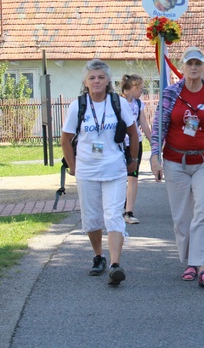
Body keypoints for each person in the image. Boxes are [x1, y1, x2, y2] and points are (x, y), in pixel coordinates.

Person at [150, 46, 204, 288]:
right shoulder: (170, 93)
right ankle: (189, 261)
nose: (194, 68)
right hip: (175, 161)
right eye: (190, 64)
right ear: (183, 67)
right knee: (182, 217)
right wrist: (155, 156)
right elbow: (159, 127)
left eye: (199, 64)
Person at [60, 59, 139, 285]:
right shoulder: (78, 106)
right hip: (87, 170)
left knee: (114, 215)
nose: (96, 81)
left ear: (108, 81)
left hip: (114, 169)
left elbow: (133, 134)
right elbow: (65, 140)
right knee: (92, 218)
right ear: (86, 82)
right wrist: (73, 166)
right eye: (92, 77)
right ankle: (98, 256)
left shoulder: (118, 103)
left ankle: (115, 264)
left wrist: (132, 160)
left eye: (101, 77)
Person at [120, 74, 153, 224]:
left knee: (132, 177)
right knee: (119, 177)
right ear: (133, 88)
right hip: (119, 144)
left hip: (135, 144)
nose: (142, 92)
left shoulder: (139, 104)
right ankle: (117, 206)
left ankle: (129, 211)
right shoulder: (117, 102)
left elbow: (144, 124)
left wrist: (153, 142)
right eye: (141, 88)